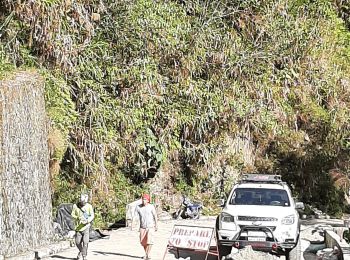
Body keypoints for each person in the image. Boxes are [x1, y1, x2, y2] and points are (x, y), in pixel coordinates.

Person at [71, 193, 94, 260]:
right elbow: (72, 214)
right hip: (78, 228)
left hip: (86, 226)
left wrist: (87, 221)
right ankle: (81, 251)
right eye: (82, 201)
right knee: (77, 242)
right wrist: (78, 217)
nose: (84, 203)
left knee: (85, 242)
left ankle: (84, 256)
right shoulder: (75, 206)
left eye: (85, 201)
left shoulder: (89, 206)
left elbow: (92, 215)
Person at [135, 193, 158, 260]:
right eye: (143, 199)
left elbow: (155, 216)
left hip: (150, 226)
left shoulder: (151, 207)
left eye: (145, 199)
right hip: (142, 226)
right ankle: (146, 253)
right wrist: (133, 224)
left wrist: (156, 225)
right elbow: (135, 216)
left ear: (148, 200)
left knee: (150, 241)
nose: (143, 201)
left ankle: (147, 254)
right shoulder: (138, 207)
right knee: (143, 242)